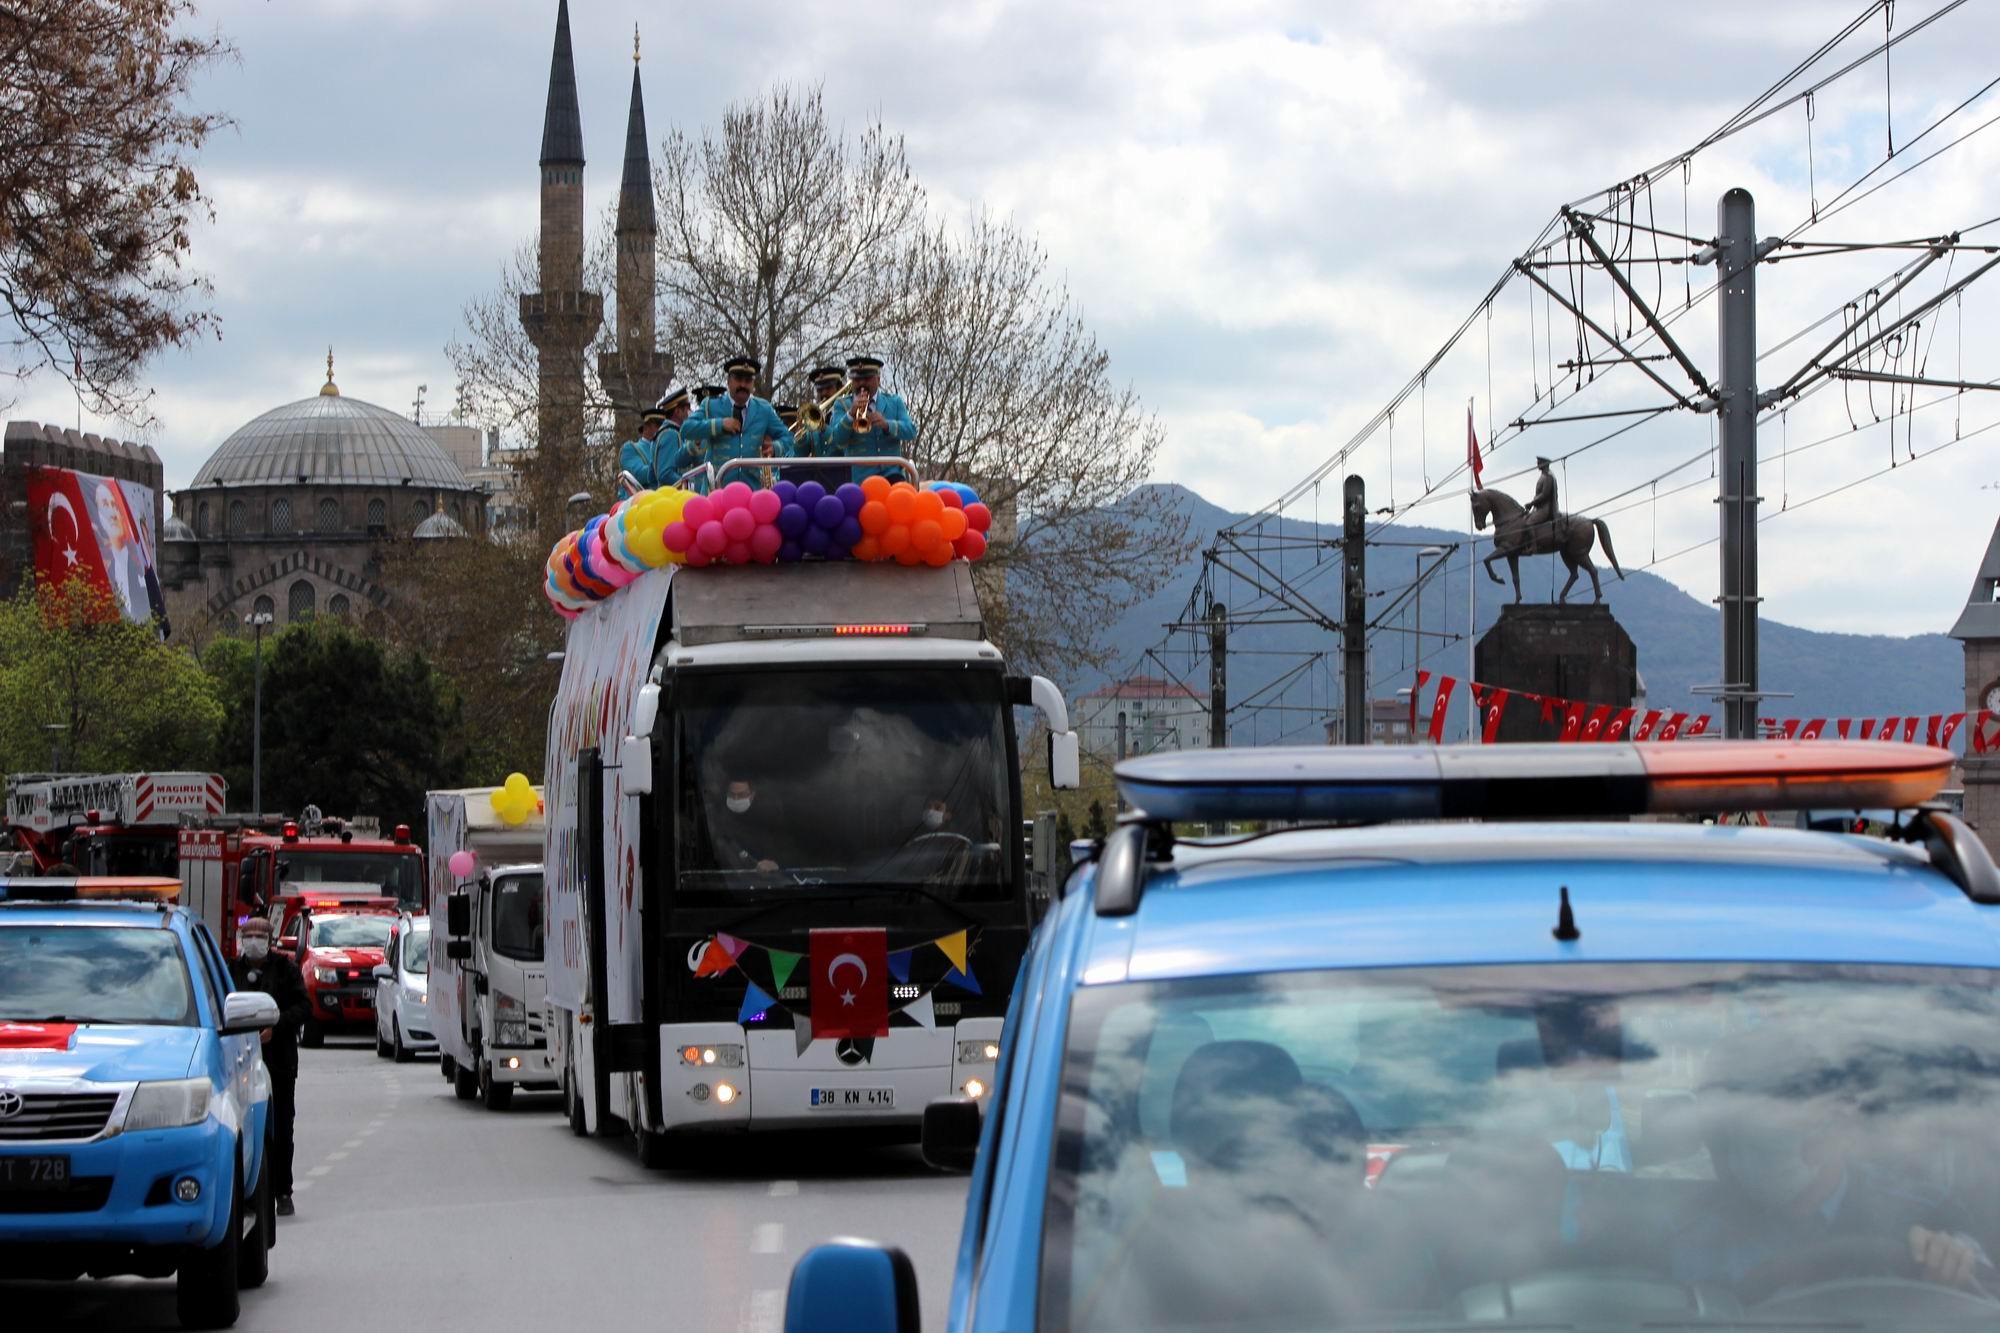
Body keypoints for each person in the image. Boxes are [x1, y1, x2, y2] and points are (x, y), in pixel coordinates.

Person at [1669, 1034, 1989, 1295]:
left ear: (1837, 1123)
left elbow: (1984, 1283)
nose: (1739, 1154)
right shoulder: (1701, 1237)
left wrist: (1954, 1260)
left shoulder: (1925, 1212)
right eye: (1725, 1132)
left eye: (1766, 1121)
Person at [229, 915, 309, 1217]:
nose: (253, 942)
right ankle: (244, 1191)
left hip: (278, 1062)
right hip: (238, 1063)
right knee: (242, 1128)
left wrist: (276, 1026)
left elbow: (303, 1007)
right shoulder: (230, 971)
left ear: (269, 940)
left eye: (259, 937)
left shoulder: (286, 970)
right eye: (247, 936)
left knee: (280, 1127)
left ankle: (282, 1191)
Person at [677, 356, 795, 490]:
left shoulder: (764, 409)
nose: (743, 385)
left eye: (748, 380)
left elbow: (789, 438)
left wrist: (775, 448)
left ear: (753, 384)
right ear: (728, 381)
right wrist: (719, 425)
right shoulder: (711, 405)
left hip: (751, 492)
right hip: (717, 491)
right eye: (738, 379)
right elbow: (686, 429)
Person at [824, 353, 917, 480]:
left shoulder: (894, 402)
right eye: (857, 380)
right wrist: (851, 414)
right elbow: (836, 441)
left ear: (878, 379)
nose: (862, 384)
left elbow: (911, 431)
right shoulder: (842, 404)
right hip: (859, 479)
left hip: (892, 475)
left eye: (867, 379)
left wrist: (887, 425)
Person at [708, 778, 790, 875]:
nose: (736, 799)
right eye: (732, 795)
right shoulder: (715, 819)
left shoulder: (768, 818)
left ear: (752, 795)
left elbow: (783, 848)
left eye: (741, 795)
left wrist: (775, 864)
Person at [619, 383, 692, 491]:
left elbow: (652, 475)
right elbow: (647, 474)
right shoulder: (669, 434)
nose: (661, 427)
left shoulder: (666, 437)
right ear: (646, 426)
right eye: (658, 424)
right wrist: (690, 486)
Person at [1524, 456, 1559, 537]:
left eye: (1539, 463)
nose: (1537, 465)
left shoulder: (1548, 476)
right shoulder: (1543, 475)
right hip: (1539, 507)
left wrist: (1531, 503)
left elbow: (1544, 495)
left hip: (1545, 509)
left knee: (1529, 523)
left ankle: (1533, 546)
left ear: (1545, 464)